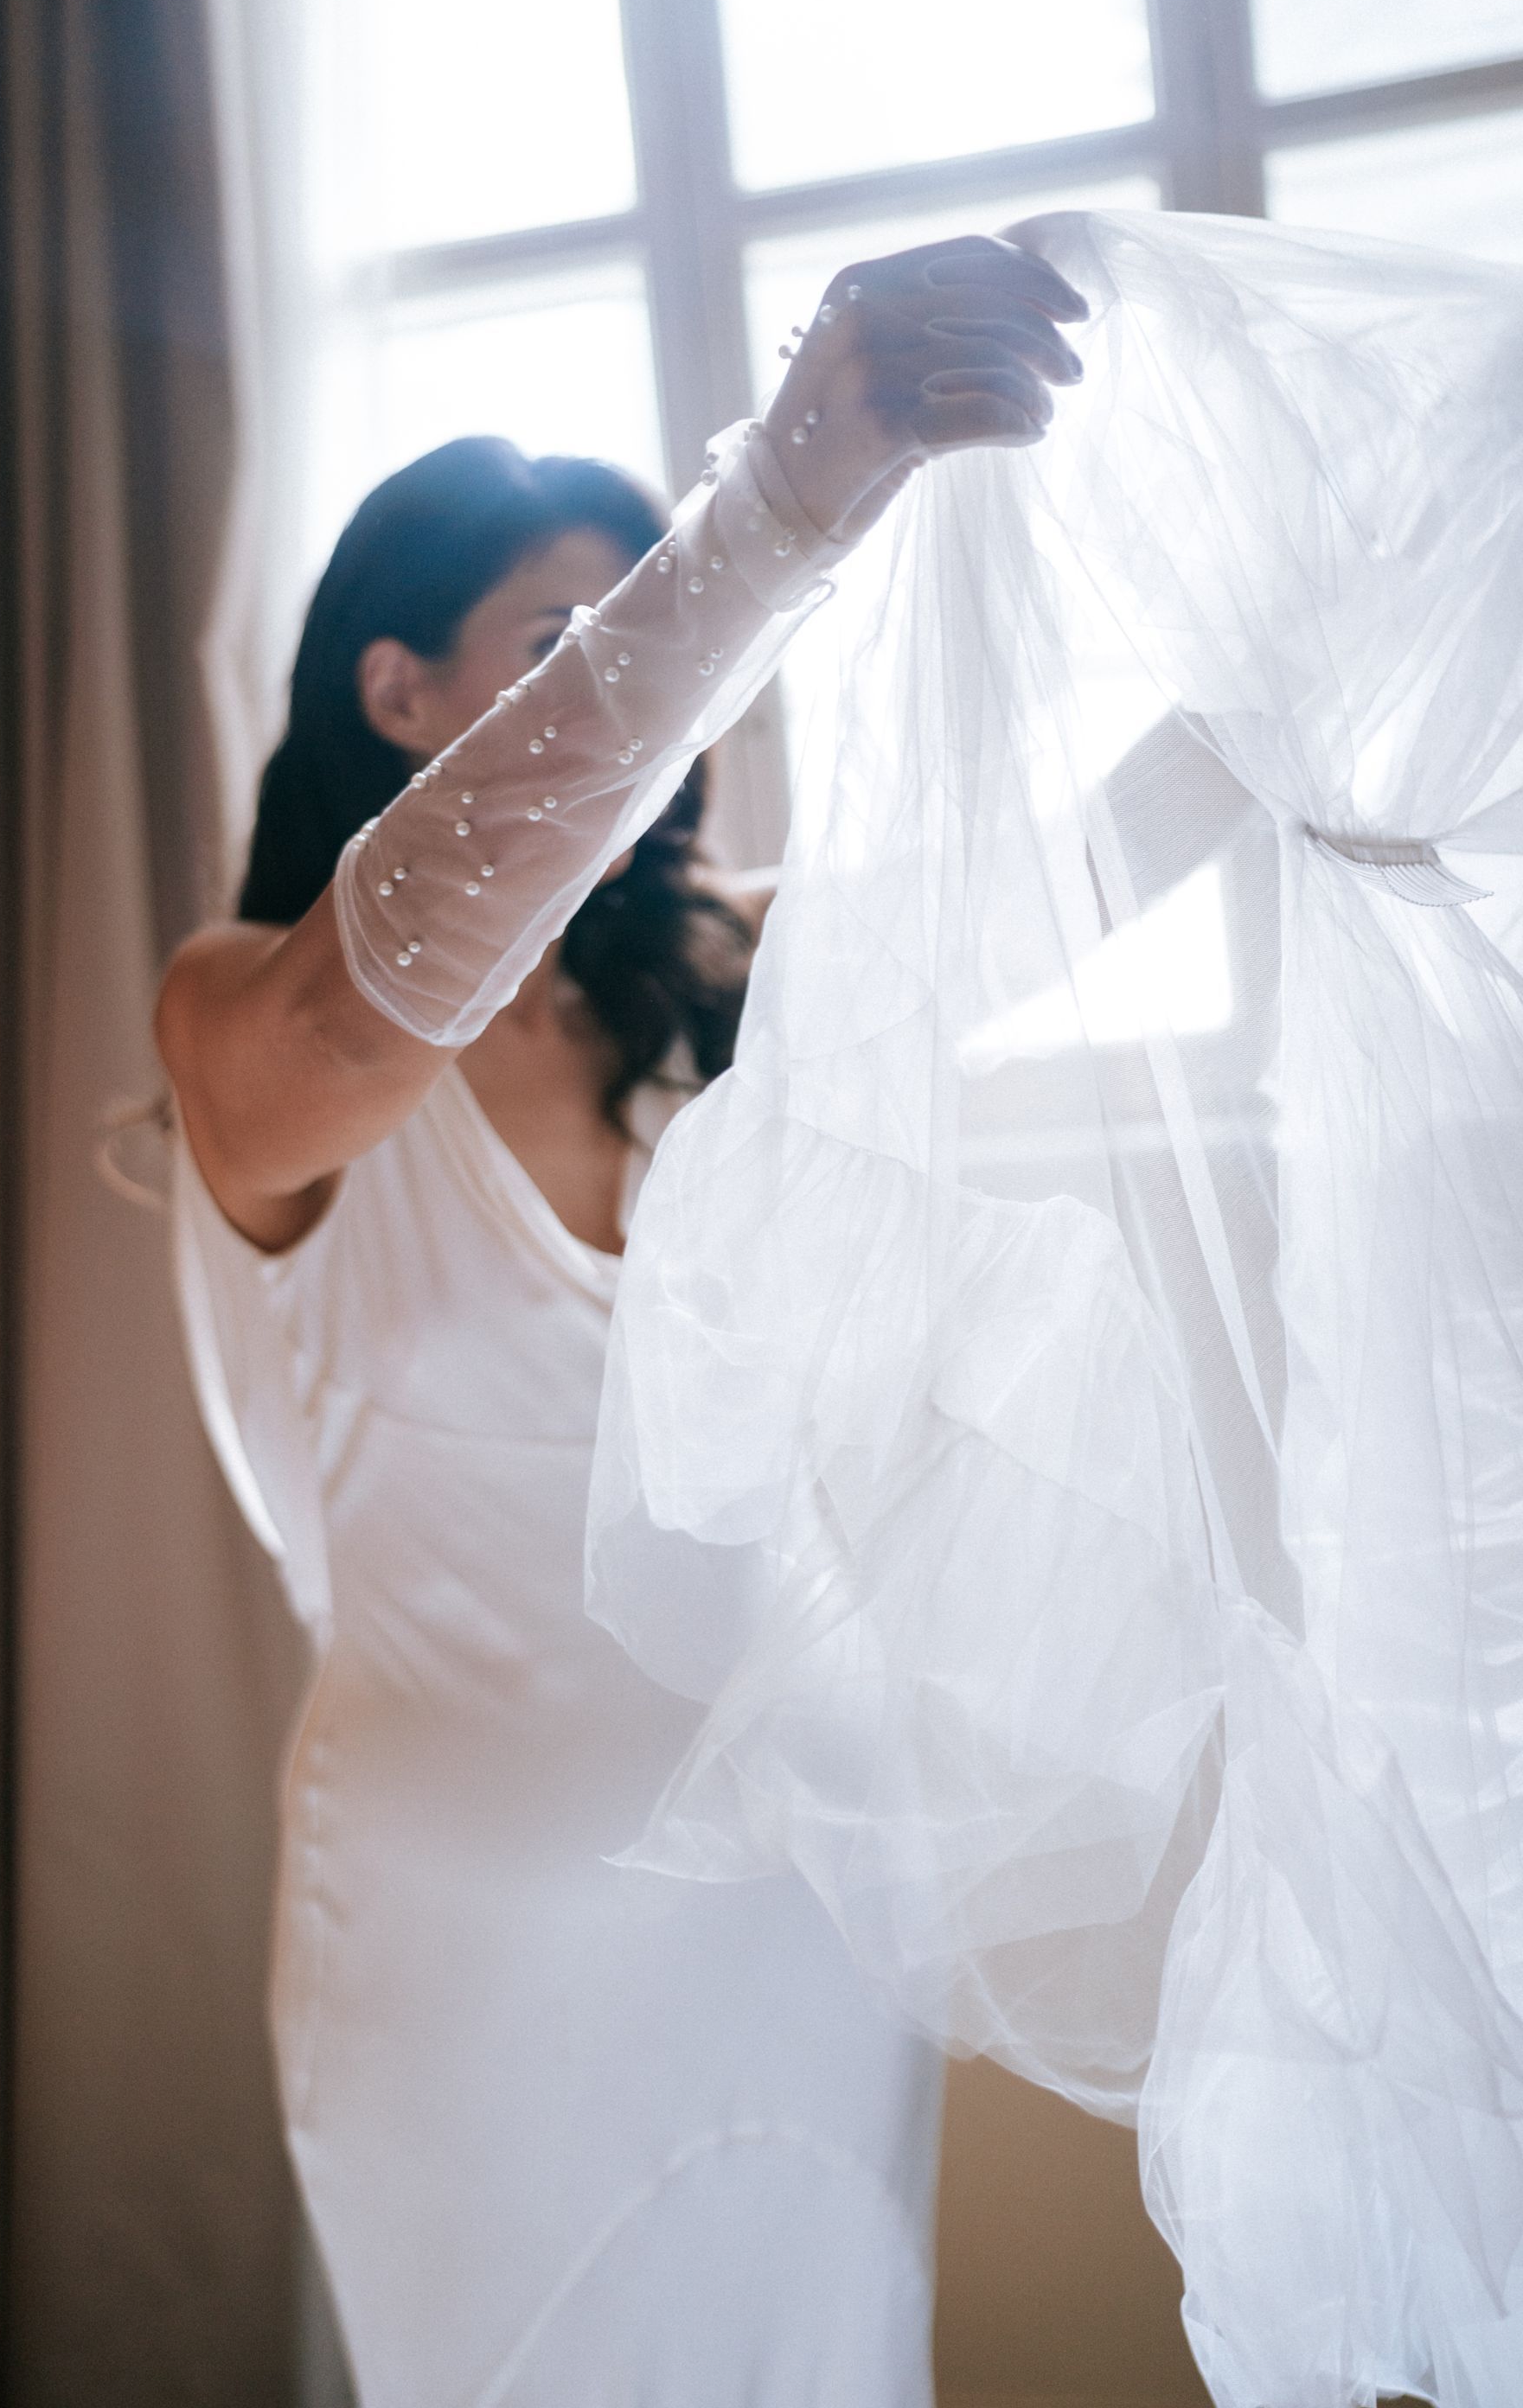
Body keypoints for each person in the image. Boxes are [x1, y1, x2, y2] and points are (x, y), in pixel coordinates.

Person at [155, 233, 1087, 2408]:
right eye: (564, 640)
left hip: (796, 1915)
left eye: (642, 635)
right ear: (399, 692)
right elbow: (391, 975)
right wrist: (769, 511)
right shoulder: (245, 1014)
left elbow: (1066, 885)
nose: (649, 695)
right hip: (466, 1977)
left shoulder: (741, 969)